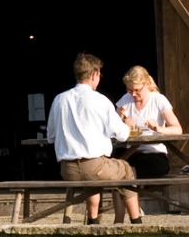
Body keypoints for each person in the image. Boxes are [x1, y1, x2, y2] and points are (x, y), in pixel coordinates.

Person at [45, 53, 140, 224]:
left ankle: (93, 220)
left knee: (94, 177)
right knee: (125, 169)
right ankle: (136, 221)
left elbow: (51, 137)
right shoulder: (100, 100)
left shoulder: (59, 100)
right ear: (94, 74)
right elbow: (122, 134)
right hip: (95, 168)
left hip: (67, 170)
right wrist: (127, 124)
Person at [114, 65, 181, 221]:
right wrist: (121, 119)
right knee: (117, 168)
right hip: (130, 151)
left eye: (137, 90)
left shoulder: (158, 100)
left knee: (125, 172)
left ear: (147, 84)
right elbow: (112, 129)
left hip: (154, 153)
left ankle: (133, 215)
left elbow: (177, 129)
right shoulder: (126, 99)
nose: (133, 94)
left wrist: (158, 128)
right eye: (130, 90)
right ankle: (119, 219)